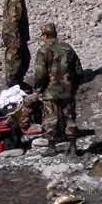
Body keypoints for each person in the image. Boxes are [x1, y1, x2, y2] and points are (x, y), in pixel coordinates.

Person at [30, 23, 82, 156]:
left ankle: (52, 148)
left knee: (51, 119)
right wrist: (75, 86)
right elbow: (78, 70)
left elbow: (40, 74)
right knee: (70, 118)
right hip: (68, 90)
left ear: (45, 36)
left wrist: (36, 86)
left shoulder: (43, 50)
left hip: (50, 92)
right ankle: (73, 147)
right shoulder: (67, 48)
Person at [2, 0, 31, 88]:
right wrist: (16, 38)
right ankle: (12, 83)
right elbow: (14, 20)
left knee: (24, 57)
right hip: (14, 34)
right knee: (15, 59)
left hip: (17, 34)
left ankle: (18, 81)